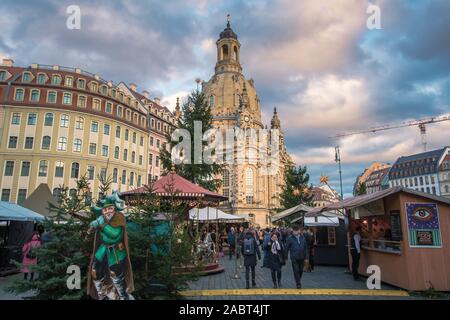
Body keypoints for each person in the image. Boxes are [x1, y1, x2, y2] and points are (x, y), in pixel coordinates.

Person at [87, 192, 134, 300]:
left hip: (116, 251)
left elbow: (115, 235)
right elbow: (100, 236)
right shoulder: (101, 219)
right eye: (105, 210)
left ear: (114, 209)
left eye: (110, 208)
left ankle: (122, 296)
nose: (107, 211)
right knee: (94, 271)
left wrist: (102, 224)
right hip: (103, 249)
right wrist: (93, 226)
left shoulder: (119, 218)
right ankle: (101, 295)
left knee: (116, 274)